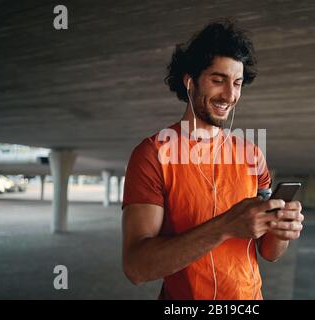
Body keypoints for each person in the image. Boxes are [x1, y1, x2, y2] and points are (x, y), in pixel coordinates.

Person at [121, 19, 304, 300]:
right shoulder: (152, 155)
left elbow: (269, 253)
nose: (230, 95)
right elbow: (136, 268)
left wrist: (282, 230)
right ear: (189, 81)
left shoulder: (252, 155)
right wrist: (225, 226)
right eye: (218, 80)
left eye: (238, 83)